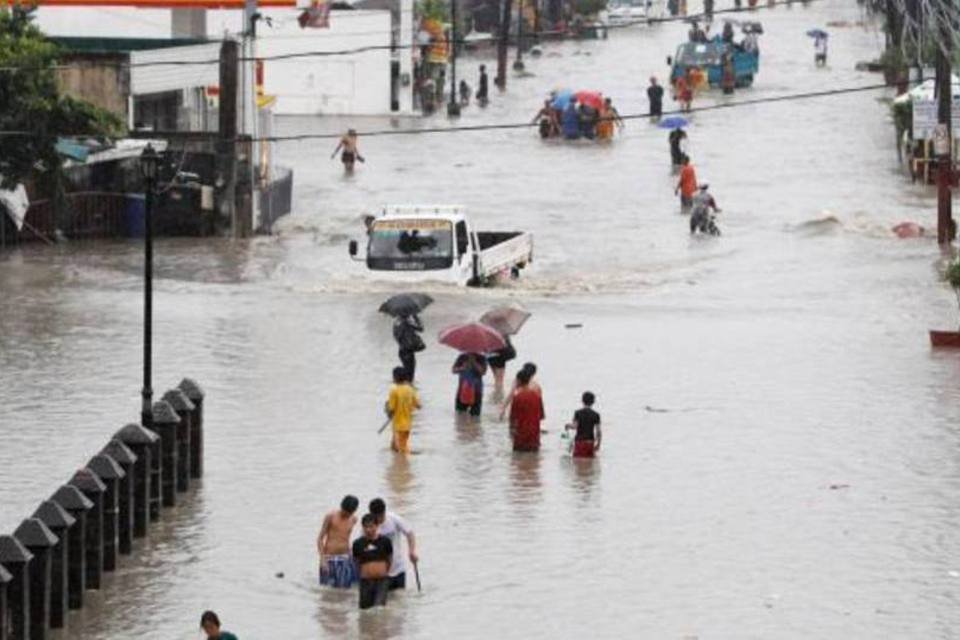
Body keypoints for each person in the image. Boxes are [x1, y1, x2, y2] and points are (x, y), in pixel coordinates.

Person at [369, 498, 418, 590]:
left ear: (384, 512)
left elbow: (410, 533)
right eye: (375, 517)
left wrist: (412, 551)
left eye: (380, 516)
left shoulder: (393, 519)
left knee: (400, 599)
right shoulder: (368, 526)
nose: (378, 519)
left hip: (398, 568)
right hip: (380, 571)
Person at [317, 495, 360, 588]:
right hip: (329, 558)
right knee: (326, 590)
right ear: (341, 507)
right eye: (345, 512)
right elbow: (320, 538)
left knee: (345, 590)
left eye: (349, 513)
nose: (347, 515)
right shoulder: (330, 517)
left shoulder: (354, 519)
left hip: (345, 557)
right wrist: (322, 559)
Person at [352, 513, 393, 610]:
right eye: (365, 527)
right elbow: (356, 562)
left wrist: (383, 572)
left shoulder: (385, 541)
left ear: (377, 526)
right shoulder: (357, 544)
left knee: (379, 609)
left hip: (382, 581)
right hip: (365, 582)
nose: (368, 530)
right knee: (365, 610)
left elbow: (390, 559)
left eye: (371, 526)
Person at [509, 367, 545, 452]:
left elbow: (513, 418)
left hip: (521, 436)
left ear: (519, 381)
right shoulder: (537, 396)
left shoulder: (517, 397)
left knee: (517, 461)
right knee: (534, 461)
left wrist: (512, 431)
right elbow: (541, 416)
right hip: (534, 436)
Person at [386, 366, 420, 454]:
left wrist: (388, 412)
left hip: (398, 425)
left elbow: (391, 409)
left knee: (402, 448)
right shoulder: (410, 390)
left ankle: (404, 464)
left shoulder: (393, 391)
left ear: (394, 378)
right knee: (396, 445)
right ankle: (397, 460)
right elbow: (418, 405)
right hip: (407, 424)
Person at [565, 392, 602, 458]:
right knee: (590, 463)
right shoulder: (596, 415)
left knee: (578, 463)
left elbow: (575, 426)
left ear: (582, 401)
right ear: (593, 402)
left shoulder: (577, 413)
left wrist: (567, 425)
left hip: (580, 442)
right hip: (590, 442)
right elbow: (598, 432)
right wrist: (598, 444)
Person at [393, 313, 424, 382]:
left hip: (402, 351)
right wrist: (416, 317)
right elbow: (421, 328)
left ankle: (403, 386)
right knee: (410, 376)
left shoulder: (396, 323)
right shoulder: (407, 323)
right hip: (408, 351)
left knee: (407, 374)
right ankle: (408, 389)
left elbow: (397, 336)